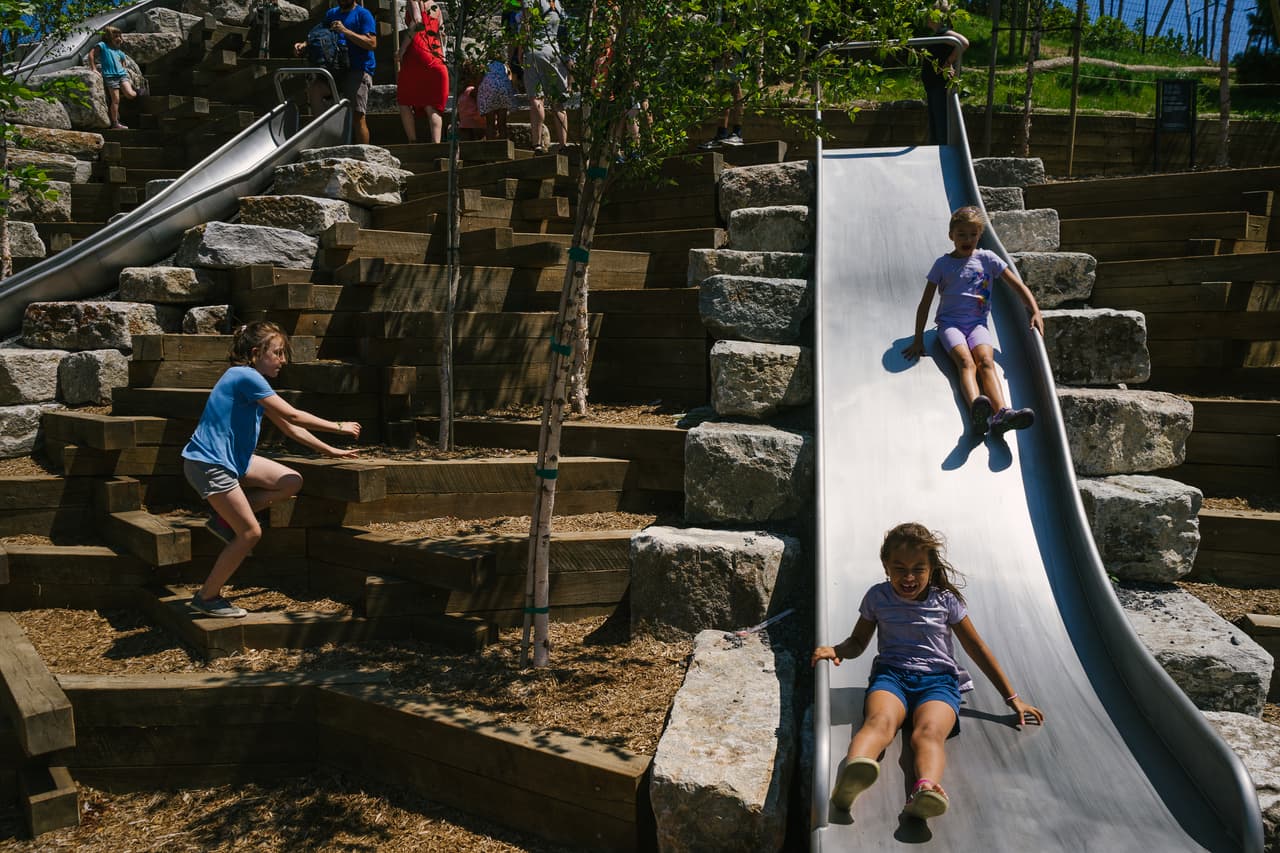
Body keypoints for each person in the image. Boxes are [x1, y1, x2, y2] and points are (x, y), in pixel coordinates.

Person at [811, 523, 1045, 819]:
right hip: (891, 677)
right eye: (899, 568)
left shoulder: (945, 601)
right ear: (885, 566)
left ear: (931, 568)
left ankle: (926, 790)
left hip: (939, 684)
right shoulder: (877, 598)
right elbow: (858, 641)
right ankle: (855, 770)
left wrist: (1013, 698)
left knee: (929, 733)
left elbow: (977, 649)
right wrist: (837, 650)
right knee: (879, 721)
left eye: (917, 569)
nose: (908, 577)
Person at [180, 322, 361, 618]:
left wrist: (330, 450)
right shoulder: (245, 376)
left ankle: (224, 521)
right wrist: (337, 427)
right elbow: (292, 413)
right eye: (277, 353)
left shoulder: (251, 382)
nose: (283, 360)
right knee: (250, 533)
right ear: (256, 353)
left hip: (230, 461)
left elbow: (289, 428)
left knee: (290, 481)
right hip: (210, 463)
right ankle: (207, 597)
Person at [903, 206, 1044, 435]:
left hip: (978, 325)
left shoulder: (987, 258)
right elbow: (925, 303)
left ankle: (1002, 413)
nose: (967, 239)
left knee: (986, 362)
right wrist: (918, 339)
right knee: (966, 362)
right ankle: (977, 412)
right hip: (950, 325)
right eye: (961, 234)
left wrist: (1035, 311)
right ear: (951, 235)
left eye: (972, 234)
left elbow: (1017, 285)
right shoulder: (942, 264)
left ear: (979, 235)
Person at [294, 0, 377, 145]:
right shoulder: (332, 14)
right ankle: (322, 140)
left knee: (357, 115)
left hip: (358, 69)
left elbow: (371, 43)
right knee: (315, 89)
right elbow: (317, 34)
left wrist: (345, 31)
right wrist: (304, 45)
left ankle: (364, 153)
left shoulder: (363, 14)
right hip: (335, 68)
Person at [396, 0, 448, 143]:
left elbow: (417, 21)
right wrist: (442, 57)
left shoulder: (413, 1)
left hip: (418, 52)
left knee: (404, 100)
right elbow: (441, 34)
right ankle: (435, 145)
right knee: (432, 106)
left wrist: (402, 50)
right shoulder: (436, 7)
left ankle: (413, 142)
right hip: (436, 56)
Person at [523, 0, 570, 154]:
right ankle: (563, 145)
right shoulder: (556, 3)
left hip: (535, 49)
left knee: (536, 98)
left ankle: (537, 144)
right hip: (555, 51)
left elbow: (526, 25)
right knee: (559, 101)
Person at [921, 1, 969, 145]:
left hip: (939, 86)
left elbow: (964, 43)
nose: (926, 18)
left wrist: (949, 62)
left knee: (941, 127)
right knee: (936, 126)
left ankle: (942, 152)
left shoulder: (944, 32)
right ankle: (938, 151)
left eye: (929, 14)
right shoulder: (939, 34)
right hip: (933, 86)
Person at [89, 26, 137, 130]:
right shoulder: (103, 46)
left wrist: (123, 69)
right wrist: (93, 68)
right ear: (108, 37)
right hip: (110, 77)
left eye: (119, 36)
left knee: (131, 94)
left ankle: (139, 91)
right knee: (116, 100)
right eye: (115, 36)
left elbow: (123, 61)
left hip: (122, 76)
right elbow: (91, 54)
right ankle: (115, 123)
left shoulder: (119, 51)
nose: (118, 38)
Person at [477, 58, 515, 139]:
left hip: (489, 91)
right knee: (502, 123)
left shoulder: (484, 64)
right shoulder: (505, 65)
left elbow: (479, 79)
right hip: (503, 91)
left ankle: (491, 146)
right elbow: (510, 79)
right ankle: (504, 146)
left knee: (490, 123)